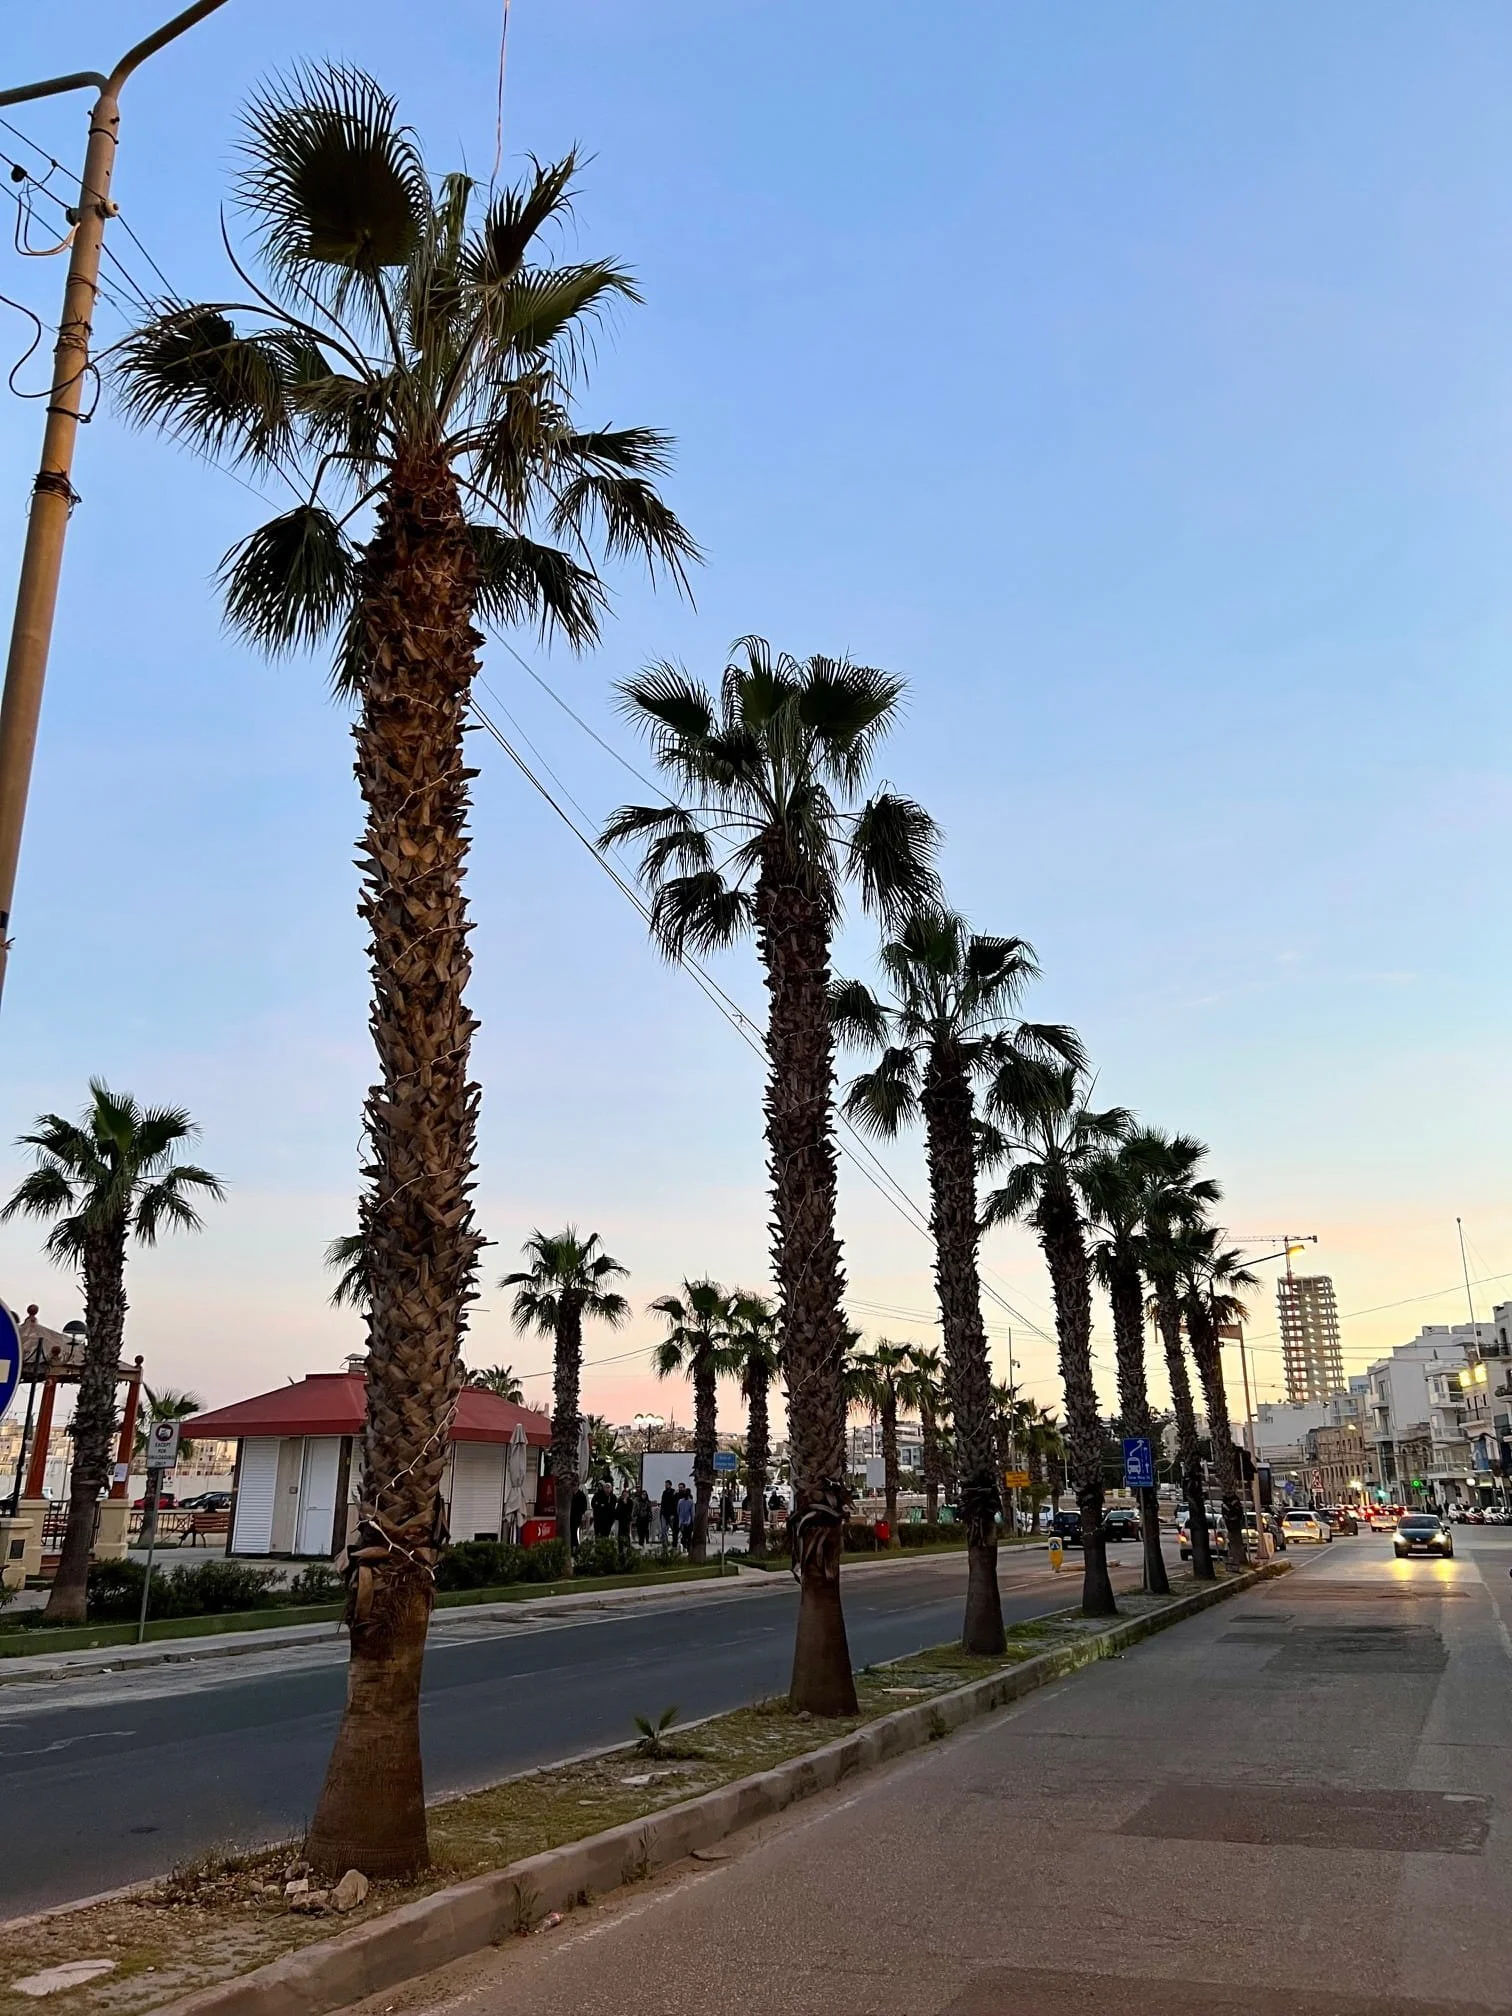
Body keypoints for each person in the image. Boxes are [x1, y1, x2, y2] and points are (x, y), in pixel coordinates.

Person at [615, 1485, 633, 1558]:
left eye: (626, 1494)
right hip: (621, 1520)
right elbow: (618, 1510)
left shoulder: (630, 1502)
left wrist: (625, 1503)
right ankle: (620, 1551)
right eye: (624, 1494)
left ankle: (628, 1549)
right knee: (620, 1535)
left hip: (627, 1520)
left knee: (627, 1535)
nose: (625, 1495)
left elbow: (629, 1510)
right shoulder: (620, 1501)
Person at [676, 1483, 695, 1553]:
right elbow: (692, 1513)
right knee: (689, 1536)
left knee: (683, 1535)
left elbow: (678, 1511)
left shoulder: (680, 1501)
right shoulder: (691, 1502)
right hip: (689, 1521)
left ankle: (684, 1547)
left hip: (681, 1522)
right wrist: (693, 1521)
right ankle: (689, 1548)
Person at [660, 1479, 678, 1546]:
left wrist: (673, 1514)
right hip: (664, 1513)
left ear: (670, 1485)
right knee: (663, 1529)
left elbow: (674, 1504)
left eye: (667, 1484)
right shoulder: (664, 1492)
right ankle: (665, 1542)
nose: (665, 1485)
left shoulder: (673, 1492)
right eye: (665, 1484)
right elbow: (663, 1503)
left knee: (673, 1529)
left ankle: (674, 1542)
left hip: (671, 1514)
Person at [570, 1484, 588, 1549]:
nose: (573, 1487)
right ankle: (573, 1546)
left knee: (575, 1532)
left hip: (577, 1516)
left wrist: (582, 1514)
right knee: (571, 1532)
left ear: (577, 1486)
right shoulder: (570, 1494)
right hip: (571, 1516)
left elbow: (584, 1506)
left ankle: (576, 1546)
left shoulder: (581, 1495)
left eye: (574, 1486)